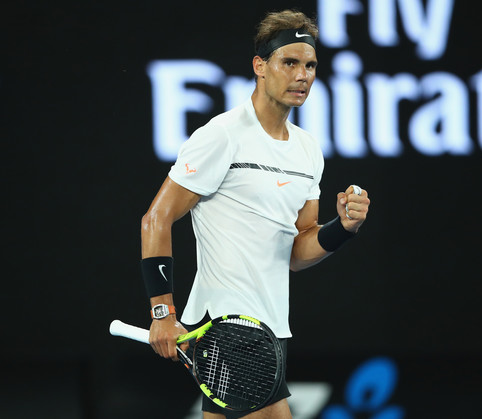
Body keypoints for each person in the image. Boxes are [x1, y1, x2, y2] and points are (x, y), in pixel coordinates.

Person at [140, 9, 370, 418]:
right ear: (260, 67)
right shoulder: (221, 136)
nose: (303, 75)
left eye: (311, 65)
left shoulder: (307, 151)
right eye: (290, 62)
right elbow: (155, 219)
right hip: (228, 323)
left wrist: (344, 229)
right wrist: (163, 313)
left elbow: (297, 252)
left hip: (271, 329)